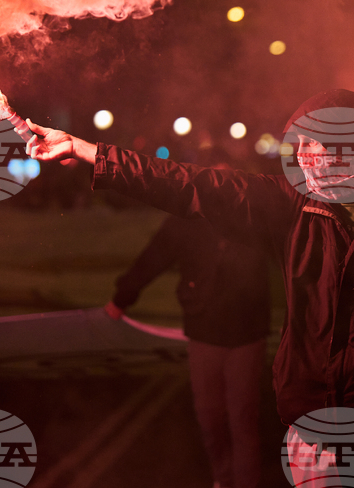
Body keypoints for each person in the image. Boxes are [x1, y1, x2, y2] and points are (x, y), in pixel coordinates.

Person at [22, 89, 354, 488]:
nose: (304, 156)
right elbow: (189, 184)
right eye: (301, 144)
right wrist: (90, 152)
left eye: (316, 143)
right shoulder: (289, 206)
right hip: (314, 430)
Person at [105, 151, 271, 488]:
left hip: (246, 333)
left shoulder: (255, 219)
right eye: (214, 180)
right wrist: (122, 299)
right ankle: (222, 479)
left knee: (242, 418)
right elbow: (154, 257)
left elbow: (297, 256)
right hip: (204, 332)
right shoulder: (186, 220)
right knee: (210, 417)